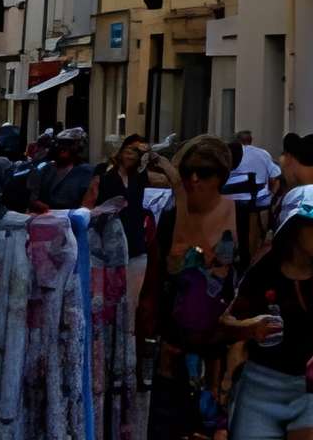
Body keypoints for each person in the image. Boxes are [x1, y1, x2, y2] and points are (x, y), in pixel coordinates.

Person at [145, 133, 245, 438]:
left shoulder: (241, 215)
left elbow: (247, 277)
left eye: (204, 173)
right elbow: (171, 266)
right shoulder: (172, 216)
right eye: (188, 173)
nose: (194, 180)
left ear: (221, 176)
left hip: (220, 346)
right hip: (175, 343)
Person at [222, 184, 313, 437]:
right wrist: (249, 328)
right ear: (294, 229)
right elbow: (224, 324)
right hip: (258, 390)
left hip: (305, 393)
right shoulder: (264, 271)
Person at [94, 134, 154, 319]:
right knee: (111, 300)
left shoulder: (142, 178)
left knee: (132, 303)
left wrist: (151, 155)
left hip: (136, 245)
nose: (132, 156)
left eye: (137, 153)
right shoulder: (106, 178)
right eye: (130, 150)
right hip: (112, 246)